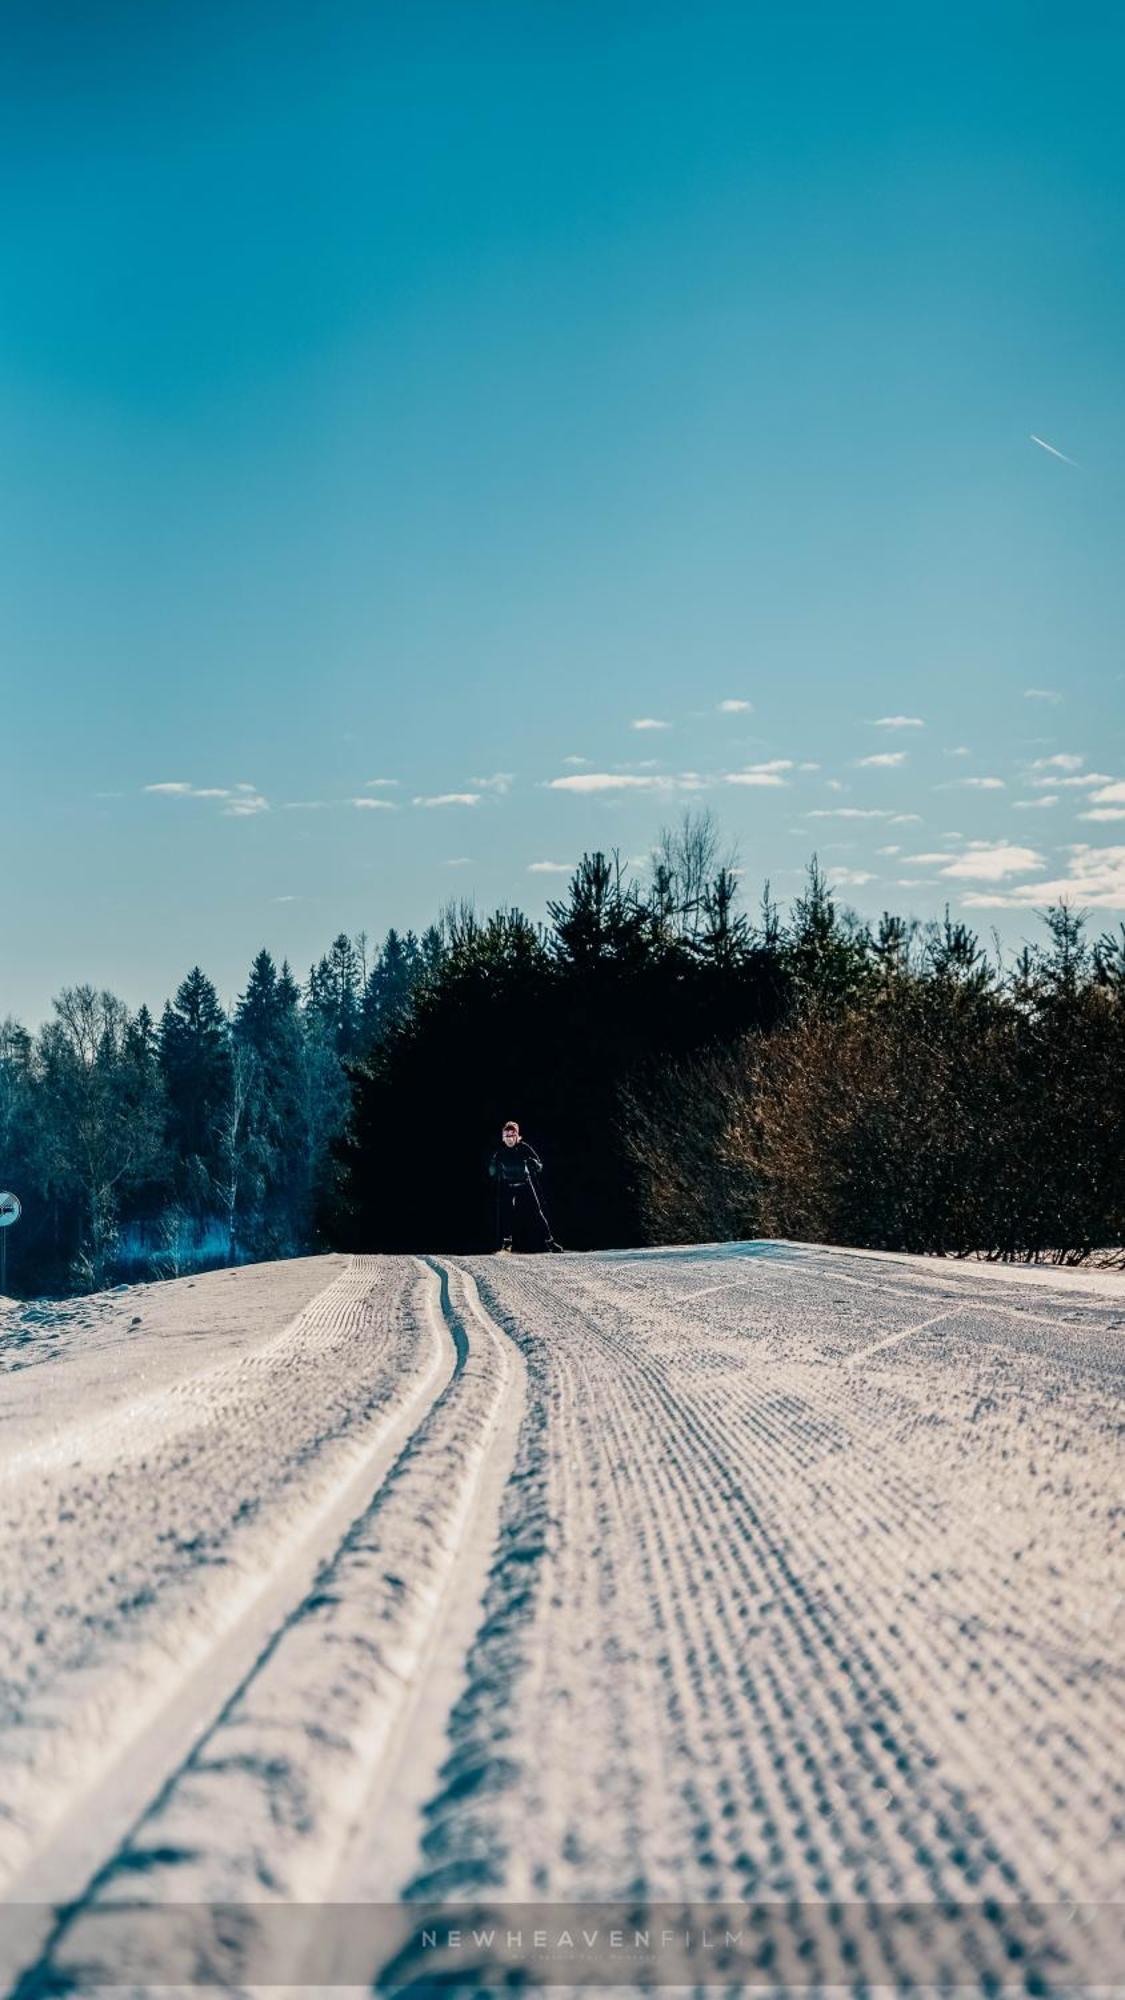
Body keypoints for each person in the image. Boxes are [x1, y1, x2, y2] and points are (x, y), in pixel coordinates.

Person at [489, 1120, 563, 1253]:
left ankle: (550, 1242)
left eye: (512, 1136)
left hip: (525, 1183)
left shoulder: (524, 1147)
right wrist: (493, 1166)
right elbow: (491, 1172)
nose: (509, 1139)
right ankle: (506, 1242)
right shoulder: (500, 1153)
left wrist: (534, 1163)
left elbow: (540, 1165)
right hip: (509, 1185)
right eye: (506, 1136)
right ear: (503, 1138)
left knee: (537, 1212)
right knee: (506, 1212)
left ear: (517, 1136)